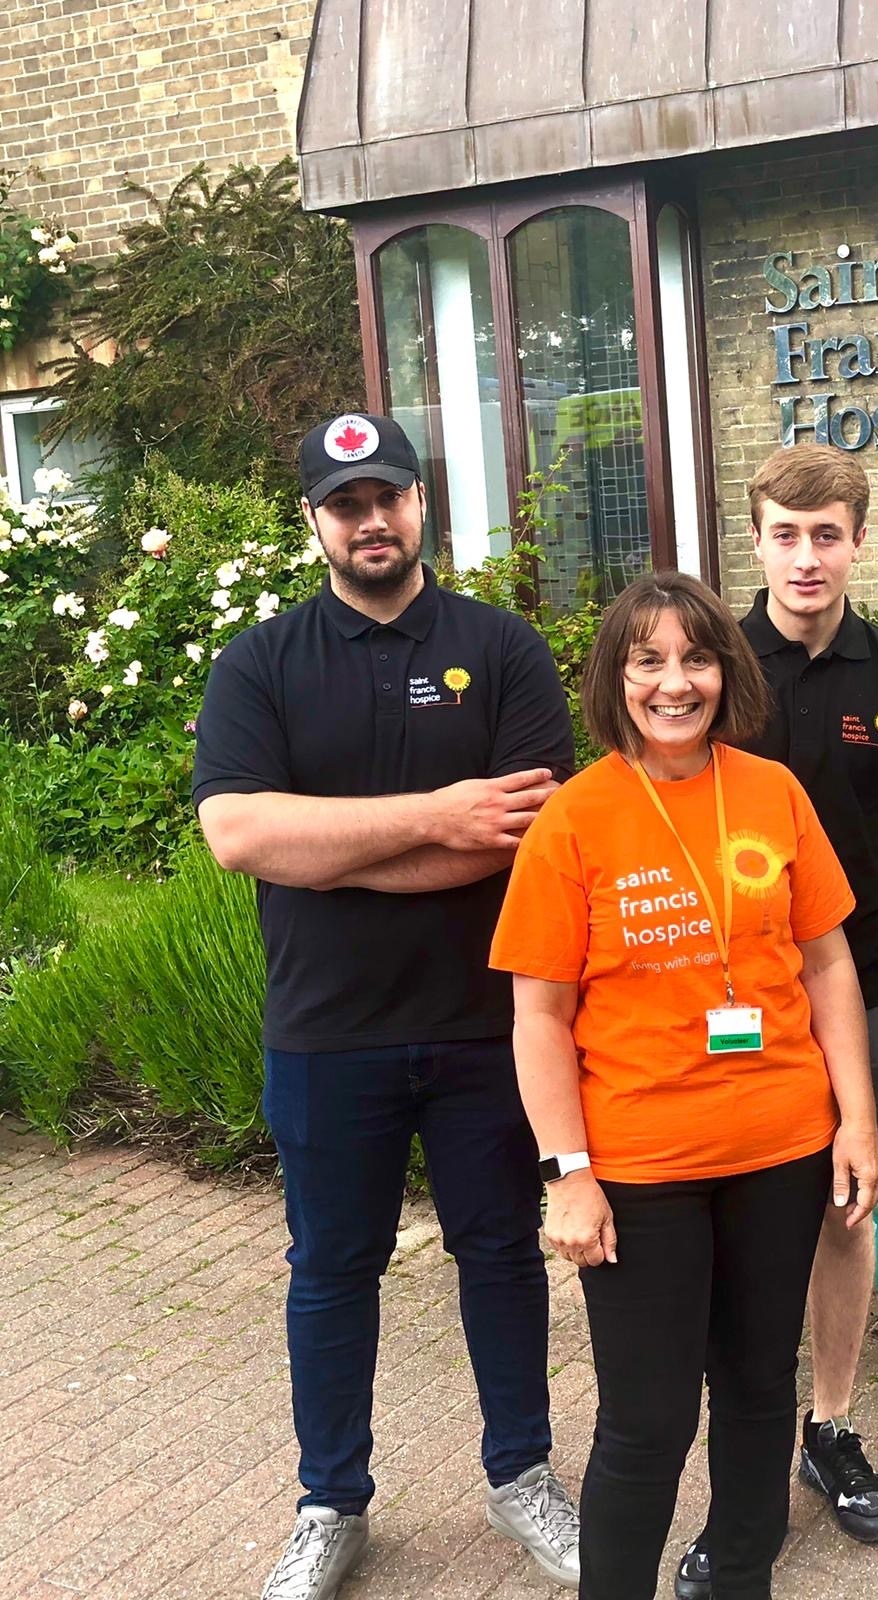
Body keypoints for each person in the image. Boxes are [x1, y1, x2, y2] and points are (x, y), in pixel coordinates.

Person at [194, 412, 582, 1600]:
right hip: (325, 1031)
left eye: (390, 496)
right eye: (346, 502)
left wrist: (326, 848)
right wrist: (430, 816)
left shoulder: (500, 648)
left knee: (501, 1255)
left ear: (421, 504)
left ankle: (522, 1478)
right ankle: (331, 1503)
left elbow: (522, 832)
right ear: (313, 518)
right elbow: (238, 834)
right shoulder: (261, 663)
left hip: (484, 1024)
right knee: (330, 1268)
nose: (372, 520)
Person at [488, 571, 878, 1600]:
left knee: (758, 1390)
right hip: (641, 1167)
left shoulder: (772, 791)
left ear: (726, 669)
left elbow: (829, 962)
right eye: (648, 660)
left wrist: (856, 1120)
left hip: (781, 1148)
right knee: (647, 1419)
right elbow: (538, 1015)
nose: (676, 682)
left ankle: (737, 1577)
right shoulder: (574, 820)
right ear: (614, 678)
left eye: (696, 657)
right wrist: (566, 1172)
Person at [673, 444, 878, 1595]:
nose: (805, 556)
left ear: (857, 542)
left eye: (825, 534)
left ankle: (828, 1428)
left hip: (863, 987)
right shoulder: (708, 670)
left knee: (845, 1208)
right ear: (757, 542)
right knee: (731, 1232)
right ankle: (739, 1472)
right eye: (784, 534)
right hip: (729, 1003)